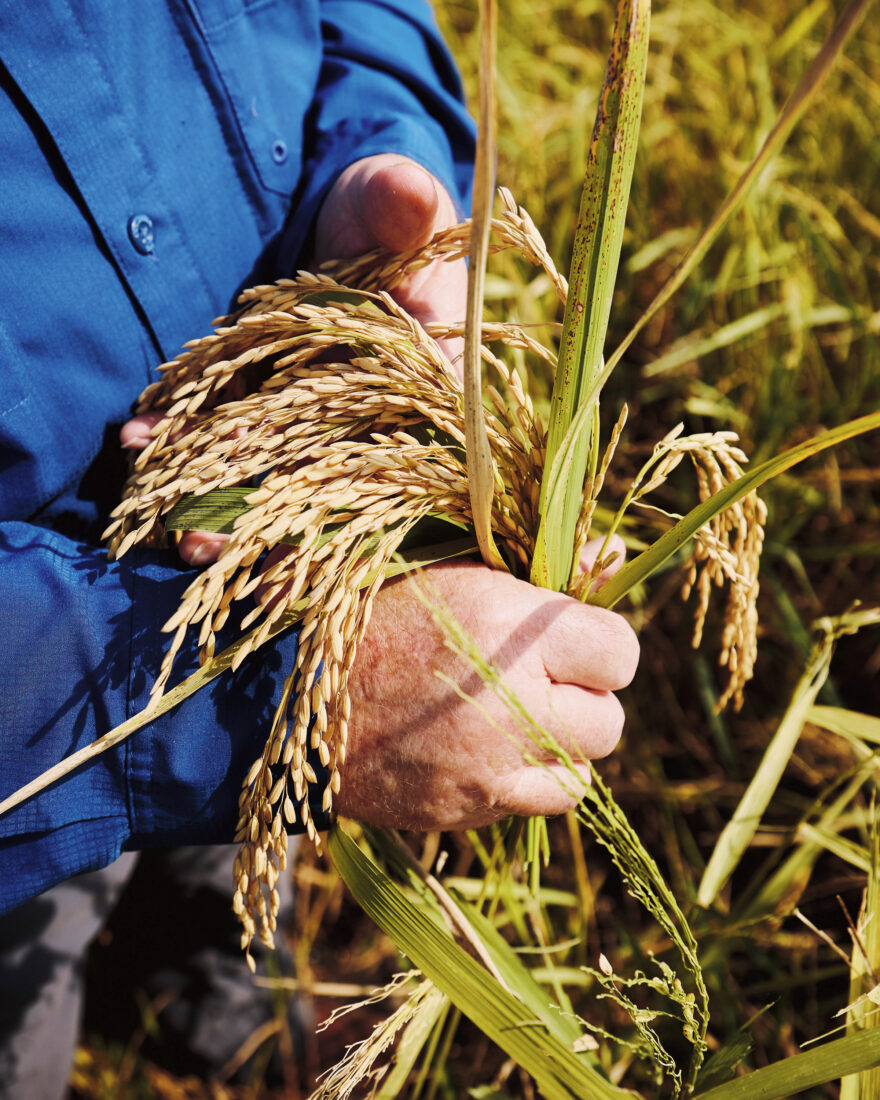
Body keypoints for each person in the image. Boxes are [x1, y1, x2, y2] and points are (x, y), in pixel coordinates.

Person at [0, 1, 639, 1093]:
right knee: (25, 994)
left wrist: (380, 154)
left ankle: (209, 996)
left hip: (276, 486)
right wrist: (295, 692)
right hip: (41, 723)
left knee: (226, 876)